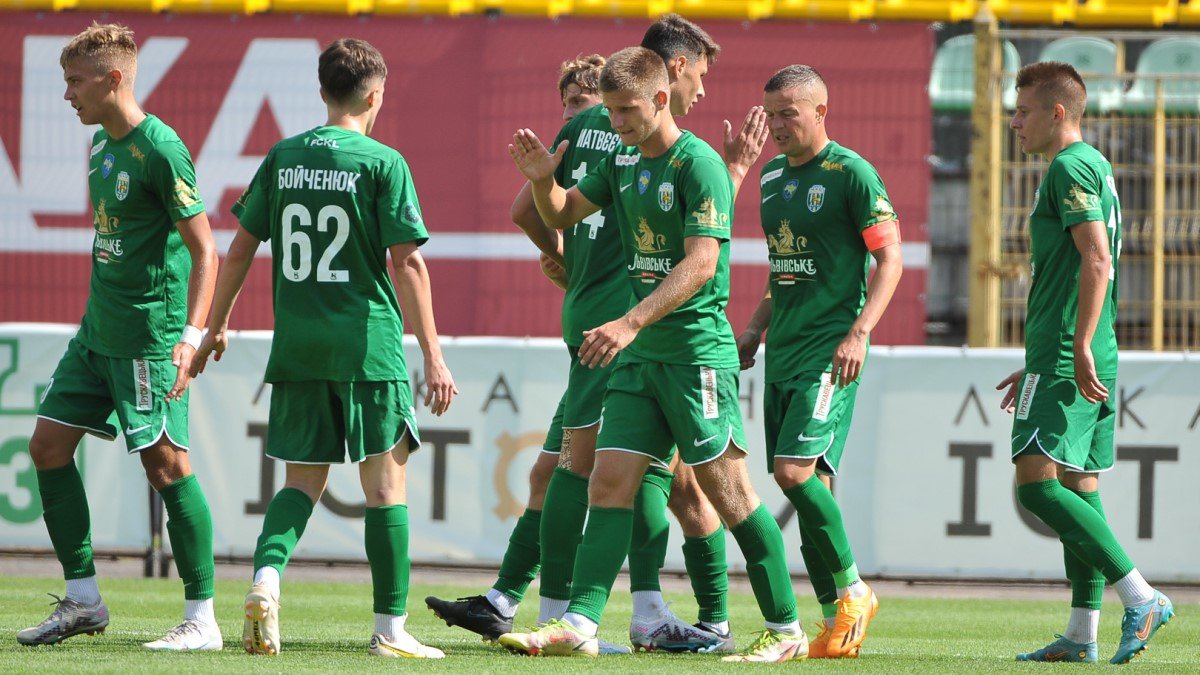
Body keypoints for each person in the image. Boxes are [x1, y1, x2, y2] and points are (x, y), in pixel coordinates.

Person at [430, 16, 769, 652]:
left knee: (639, 478)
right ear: (672, 71)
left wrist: (563, 258)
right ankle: (593, 614)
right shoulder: (631, 139)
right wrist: (733, 172)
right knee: (606, 473)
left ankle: (582, 610)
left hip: (621, 329)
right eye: (699, 73)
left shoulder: (635, 142)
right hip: (627, 333)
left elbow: (545, 212)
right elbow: (690, 239)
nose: (701, 88)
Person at [500, 46, 805, 663]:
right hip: (641, 359)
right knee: (608, 482)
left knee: (730, 496)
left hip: (694, 356)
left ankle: (786, 628)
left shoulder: (700, 165)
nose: (615, 122)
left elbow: (703, 262)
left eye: (625, 110)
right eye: (610, 110)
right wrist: (541, 179)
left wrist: (630, 321)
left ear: (661, 99)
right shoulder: (621, 159)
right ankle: (579, 623)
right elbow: (561, 212)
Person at [190, 38, 458, 659]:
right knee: (385, 489)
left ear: (322, 92)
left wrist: (215, 326)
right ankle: (390, 629)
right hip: (366, 347)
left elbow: (239, 248)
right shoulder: (383, 161)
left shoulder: (283, 157)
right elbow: (407, 263)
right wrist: (434, 355)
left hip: (299, 347)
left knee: (300, 483)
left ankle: (266, 579)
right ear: (376, 95)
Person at [17, 22, 221, 651]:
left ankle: (202, 619)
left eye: (75, 82)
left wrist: (193, 334)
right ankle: (83, 600)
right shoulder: (100, 147)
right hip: (95, 334)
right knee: (47, 447)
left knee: (167, 467)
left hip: (147, 339)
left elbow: (206, 250)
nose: (67, 94)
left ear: (113, 79)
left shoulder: (161, 149)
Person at [998, 61, 1173, 665]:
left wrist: (1071, 346)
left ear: (1057, 112)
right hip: (1084, 347)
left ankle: (1142, 596)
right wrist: (1057, 352)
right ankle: (1081, 634)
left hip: (1071, 349)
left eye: (1023, 111)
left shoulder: (1069, 167)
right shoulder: (1094, 163)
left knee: (1035, 485)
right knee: (1080, 484)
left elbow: (1097, 259)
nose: (1014, 122)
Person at [737, 65, 902, 659]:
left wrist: (859, 333)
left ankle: (855, 590)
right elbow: (784, 266)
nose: (778, 125)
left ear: (820, 111)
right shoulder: (771, 176)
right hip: (782, 350)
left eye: (789, 113)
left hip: (830, 354)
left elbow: (890, 260)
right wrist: (754, 328)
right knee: (813, 490)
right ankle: (837, 623)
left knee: (792, 473)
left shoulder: (851, 173)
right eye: (771, 114)